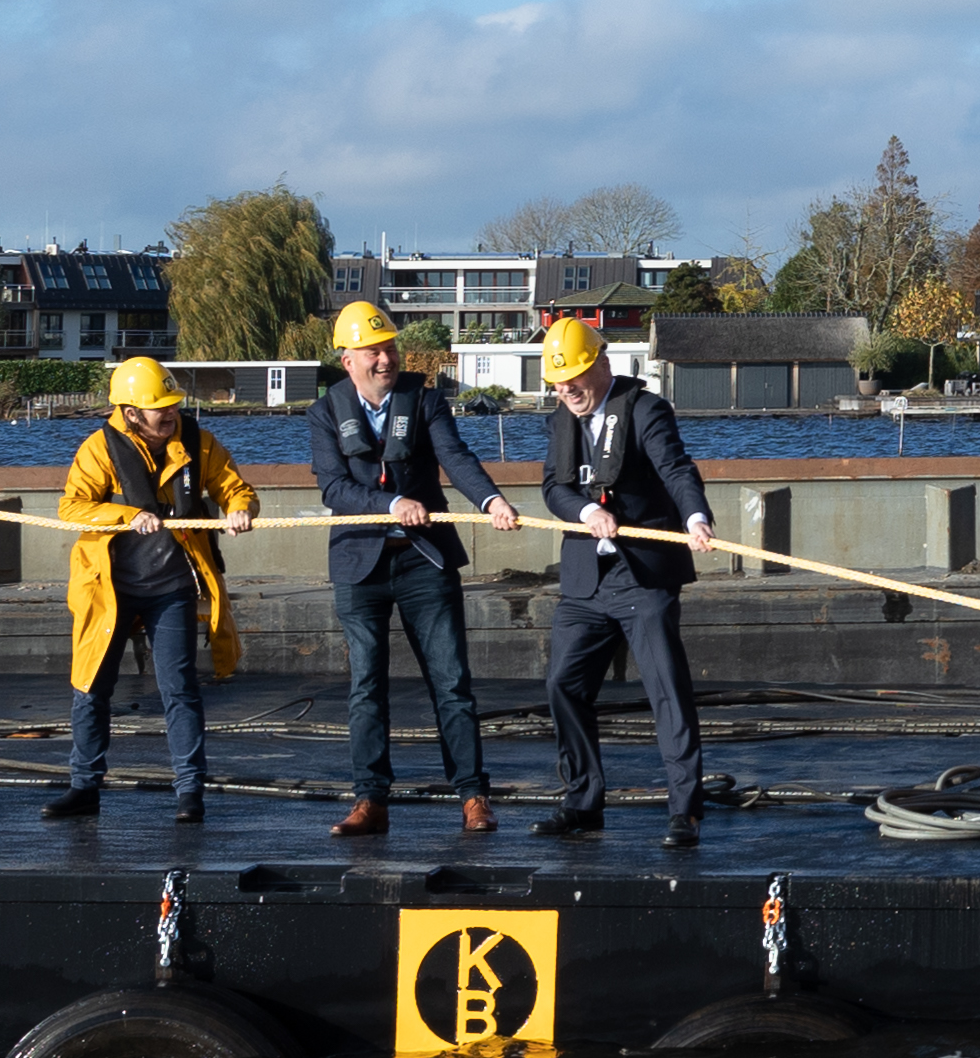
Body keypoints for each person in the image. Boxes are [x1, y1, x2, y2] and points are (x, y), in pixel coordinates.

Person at [306, 299, 523, 834]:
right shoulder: (324, 412)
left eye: (390, 349)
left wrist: (491, 502)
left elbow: (457, 458)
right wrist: (389, 506)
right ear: (348, 358)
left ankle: (473, 797)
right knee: (366, 685)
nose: (386, 360)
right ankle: (370, 800)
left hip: (425, 561)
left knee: (451, 683)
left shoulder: (424, 403)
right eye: (374, 352)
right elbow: (334, 488)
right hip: (360, 566)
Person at [44, 356, 260, 825]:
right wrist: (126, 516)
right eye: (159, 408)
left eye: (173, 405)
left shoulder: (198, 444)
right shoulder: (99, 449)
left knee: (179, 689)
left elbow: (235, 488)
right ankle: (84, 787)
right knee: (90, 687)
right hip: (110, 590)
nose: (170, 415)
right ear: (129, 413)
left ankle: (190, 792)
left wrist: (241, 507)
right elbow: (71, 507)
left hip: (172, 588)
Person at [525, 317, 717, 845]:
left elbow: (678, 470)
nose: (568, 393)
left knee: (666, 692)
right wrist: (586, 512)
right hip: (587, 581)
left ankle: (685, 809)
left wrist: (696, 518)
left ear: (603, 366)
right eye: (559, 385)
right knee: (563, 685)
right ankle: (584, 803)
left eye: (577, 381)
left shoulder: (647, 410)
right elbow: (552, 488)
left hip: (644, 576)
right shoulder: (559, 420)